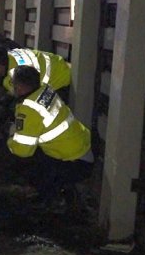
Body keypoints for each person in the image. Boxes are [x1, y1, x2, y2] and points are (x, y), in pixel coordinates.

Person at [7, 65, 93, 208]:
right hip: (82, 146)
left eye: (13, 83)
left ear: (20, 87)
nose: (12, 87)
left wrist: (10, 138)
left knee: (21, 162)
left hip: (74, 162)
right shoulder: (45, 90)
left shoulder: (28, 111)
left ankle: (51, 199)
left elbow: (22, 151)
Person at [0, 44, 72, 97]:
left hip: (61, 85)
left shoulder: (13, 78)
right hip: (65, 66)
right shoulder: (12, 53)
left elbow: (22, 98)